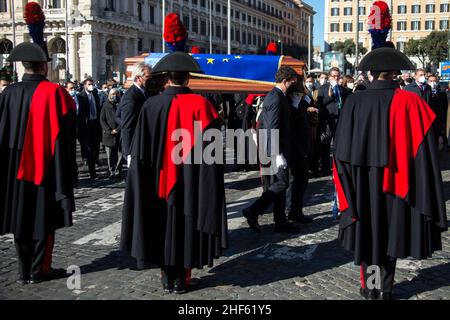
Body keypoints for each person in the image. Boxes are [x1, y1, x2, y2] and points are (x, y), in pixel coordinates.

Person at [333, 37, 447, 300]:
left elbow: (340, 152)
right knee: (389, 236)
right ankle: (384, 289)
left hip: (362, 184)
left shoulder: (354, 102)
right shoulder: (412, 102)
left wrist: (346, 185)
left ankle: (370, 288)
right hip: (397, 183)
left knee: (370, 237)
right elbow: (428, 149)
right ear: (396, 73)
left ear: (370, 73)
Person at [120, 51, 228, 294]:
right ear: (188, 79)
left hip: (157, 179)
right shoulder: (203, 105)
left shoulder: (150, 105)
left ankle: (167, 277)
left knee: (161, 226)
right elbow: (211, 156)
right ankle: (183, 279)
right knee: (186, 228)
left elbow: (141, 151)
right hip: (191, 181)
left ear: (166, 78)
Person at [0, 42, 77, 284]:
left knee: (19, 217)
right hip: (46, 165)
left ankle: (24, 272)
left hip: (13, 167)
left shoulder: (7, 93)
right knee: (44, 218)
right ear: (44, 66)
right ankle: (39, 269)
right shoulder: (55, 92)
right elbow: (68, 133)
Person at [242, 66, 301, 234]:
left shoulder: (280, 96)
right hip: (276, 148)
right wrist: (277, 154)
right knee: (282, 183)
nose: (293, 86)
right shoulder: (275, 98)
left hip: (280, 146)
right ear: (284, 81)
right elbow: (271, 127)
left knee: (279, 183)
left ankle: (280, 221)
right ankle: (252, 211)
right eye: (292, 83)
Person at [285, 76, 313, 224]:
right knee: (294, 180)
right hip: (293, 146)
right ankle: (291, 211)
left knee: (302, 179)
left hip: (302, 145)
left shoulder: (301, 101)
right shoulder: (290, 102)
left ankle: (297, 210)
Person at [116, 62, 151, 168]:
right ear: (139, 78)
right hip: (135, 147)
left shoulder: (145, 92)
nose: (150, 79)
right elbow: (127, 126)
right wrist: (129, 153)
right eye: (147, 77)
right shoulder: (130, 97)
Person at [76, 78, 102, 180]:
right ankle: (92, 172)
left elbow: (98, 109)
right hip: (86, 126)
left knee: (96, 147)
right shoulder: (80, 96)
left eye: (92, 84)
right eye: (89, 84)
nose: (91, 85)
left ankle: (94, 163)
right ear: (84, 85)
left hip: (95, 123)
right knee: (89, 149)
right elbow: (79, 114)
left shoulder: (95, 95)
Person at [100, 88, 123, 178]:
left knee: (120, 154)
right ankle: (111, 171)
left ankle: (117, 170)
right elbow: (102, 120)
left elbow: (123, 118)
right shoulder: (105, 106)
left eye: (116, 94)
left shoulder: (120, 105)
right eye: (113, 94)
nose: (115, 96)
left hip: (119, 133)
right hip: (108, 134)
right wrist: (109, 130)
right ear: (109, 95)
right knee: (110, 155)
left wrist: (118, 129)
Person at [428, 75, 449, 147]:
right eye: (431, 81)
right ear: (428, 82)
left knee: (438, 136)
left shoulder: (442, 93)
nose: (433, 83)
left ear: (437, 82)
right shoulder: (426, 92)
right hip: (429, 118)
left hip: (439, 117)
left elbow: (445, 106)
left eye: (434, 81)